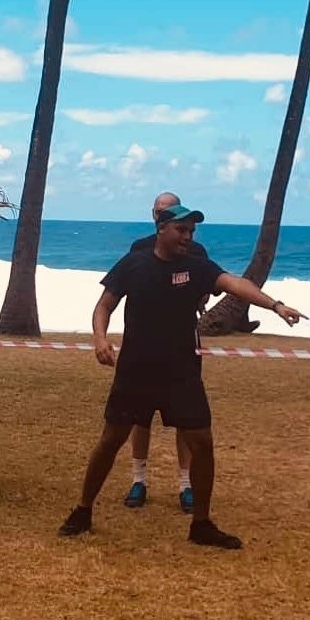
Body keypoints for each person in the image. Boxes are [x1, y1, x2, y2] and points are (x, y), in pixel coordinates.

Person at [59, 204, 305, 550]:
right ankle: (82, 511)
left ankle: (201, 524)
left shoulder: (197, 267)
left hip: (181, 373)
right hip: (135, 372)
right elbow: (104, 306)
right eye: (182, 230)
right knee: (111, 440)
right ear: (162, 229)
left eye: (192, 231)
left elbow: (235, 284)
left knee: (202, 443)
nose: (188, 237)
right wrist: (100, 339)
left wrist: (276, 306)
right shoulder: (134, 264)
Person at [123, 191, 205, 514]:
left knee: (187, 420)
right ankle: (138, 480)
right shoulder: (138, 250)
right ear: (154, 215)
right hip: (144, 350)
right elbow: (123, 292)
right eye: (160, 211)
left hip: (182, 350)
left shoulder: (196, 252)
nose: (165, 216)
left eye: (171, 212)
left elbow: (208, 287)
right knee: (139, 418)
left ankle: (186, 485)